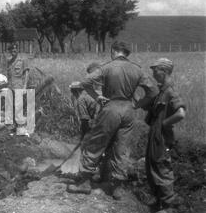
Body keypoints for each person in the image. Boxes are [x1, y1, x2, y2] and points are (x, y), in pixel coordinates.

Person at [67, 41, 159, 199]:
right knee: (121, 148)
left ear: (115, 51)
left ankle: (84, 182)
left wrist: (97, 96)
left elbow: (85, 82)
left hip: (111, 107)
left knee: (95, 143)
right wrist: (138, 104)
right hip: (128, 110)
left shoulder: (108, 67)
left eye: (111, 51)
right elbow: (153, 90)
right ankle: (117, 188)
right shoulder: (137, 69)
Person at [145, 58, 186, 213]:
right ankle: (159, 200)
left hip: (162, 136)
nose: (153, 73)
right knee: (152, 166)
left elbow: (181, 113)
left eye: (155, 70)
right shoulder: (161, 91)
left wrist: (164, 124)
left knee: (162, 168)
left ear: (164, 71)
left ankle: (168, 207)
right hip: (156, 135)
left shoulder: (171, 92)